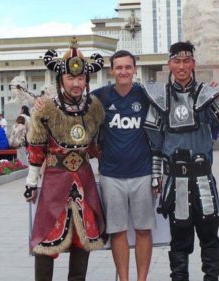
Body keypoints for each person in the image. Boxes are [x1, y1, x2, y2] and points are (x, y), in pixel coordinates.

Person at [143, 41, 219, 281]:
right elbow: (155, 144)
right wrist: (156, 178)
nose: (182, 66)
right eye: (177, 61)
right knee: (180, 241)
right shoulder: (159, 97)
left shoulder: (207, 94)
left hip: (204, 178)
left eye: (186, 61)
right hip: (176, 180)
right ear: (170, 64)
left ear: (193, 63)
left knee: (209, 238)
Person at [24, 38, 106, 281]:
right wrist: (30, 181)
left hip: (84, 180)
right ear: (61, 80)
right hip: (54, 180)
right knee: (46, 239)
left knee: (83, 240)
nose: (76, 83)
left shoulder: (95, 108)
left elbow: (98, 147)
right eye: (71, 78)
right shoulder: (46, 109)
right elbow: (36, 148)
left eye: (81, 78)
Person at [91, 50, 155, 281]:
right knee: (117, 230)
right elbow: (74, 104)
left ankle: (142, 279)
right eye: (119, 67)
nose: (123, 71)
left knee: (143, 229)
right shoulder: (100, 96)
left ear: (135, 69)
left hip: (142, 173)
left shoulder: (146, 95)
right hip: (111, 175)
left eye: (128, 67)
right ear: (112, 70)